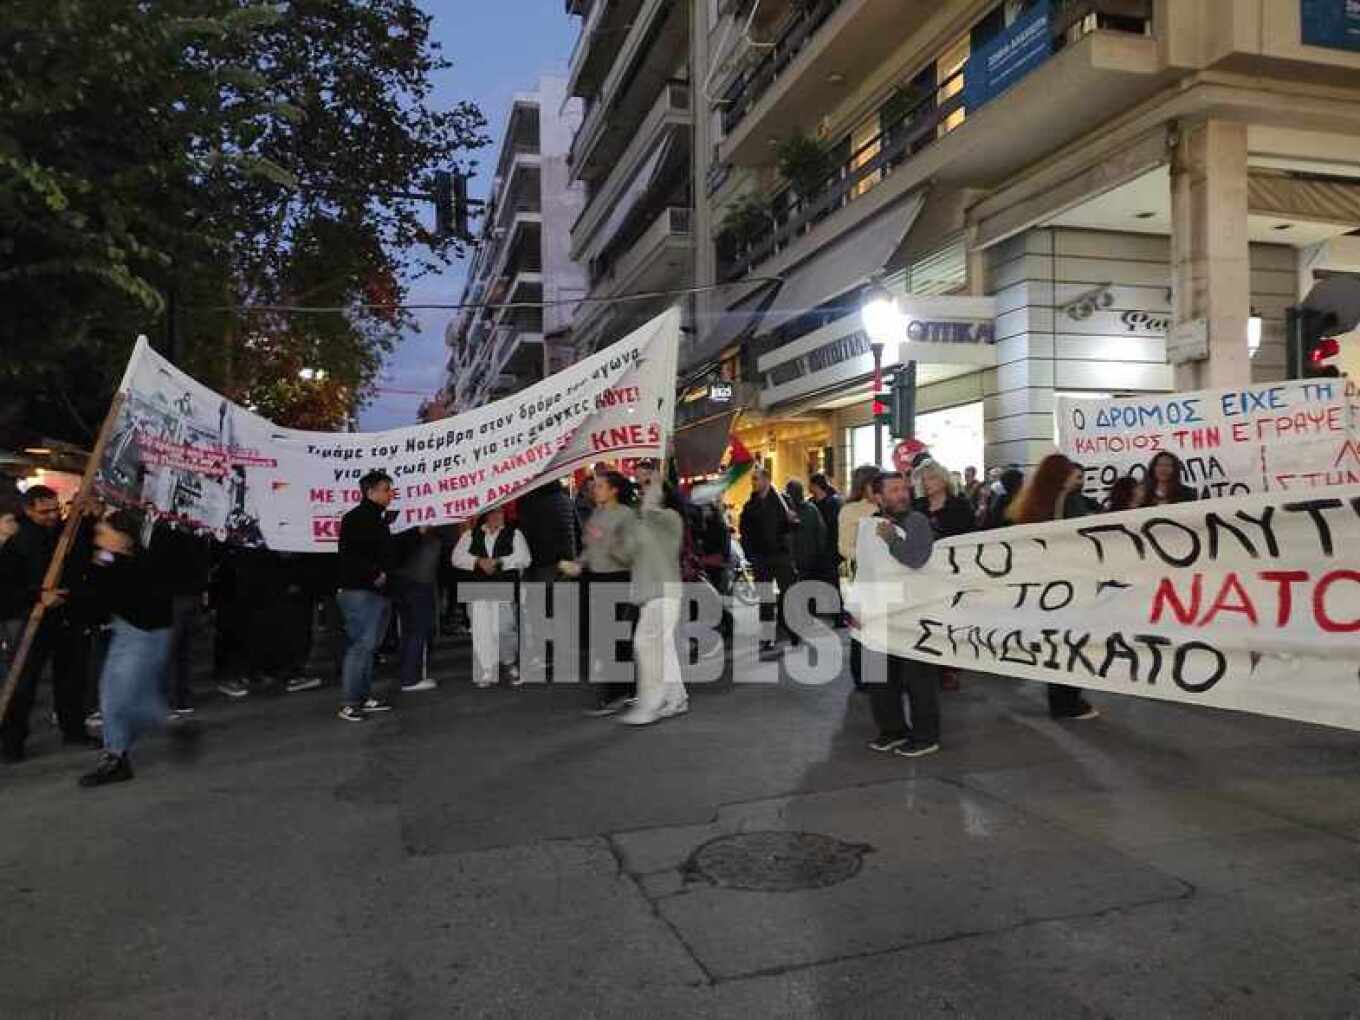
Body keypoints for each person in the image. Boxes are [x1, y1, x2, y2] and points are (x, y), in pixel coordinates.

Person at [77, 510, 179, 787]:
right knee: (123, 694)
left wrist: (101, 569)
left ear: (122, 538)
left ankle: (119, 753)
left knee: (119, 696)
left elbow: (107, 595)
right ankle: (126, 748)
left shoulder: (136, 565)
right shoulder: (119, 561)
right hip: (132, 632)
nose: (98, 538)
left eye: (103, 533)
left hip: (143, 634)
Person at [0, 486, 98, 761]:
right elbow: (6, 588)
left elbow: (78, 555)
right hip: (31, 621)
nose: (53, 515)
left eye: (56, 509)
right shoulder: (17, 542)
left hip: (67, 618)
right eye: (45, 511)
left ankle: (74, 732)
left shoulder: (62, 532)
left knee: (72, 679)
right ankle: (12, 744)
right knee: (23, 684)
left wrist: (85, 517)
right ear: (29, 510)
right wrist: (38, 597)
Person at [1009, 454, 1100, 721]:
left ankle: (1063, 698)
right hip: (1066, 585)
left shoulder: (1035, 505)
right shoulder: (1064, 503)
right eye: (1072, 471)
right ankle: (1068, 701)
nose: (1077, 475)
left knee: (1060, 643)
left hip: (1051, 587)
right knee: (1070, 643)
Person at [860, 471, 941, 758]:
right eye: (893, 490)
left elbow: (917, 559)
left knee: (917, 678)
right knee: (879, 677)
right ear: (878, 497)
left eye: (903, 488)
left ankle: (925, 736)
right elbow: (866, 570)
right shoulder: (870, 525)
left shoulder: (916, 521)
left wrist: (892, 539)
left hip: (912, 612)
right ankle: (892, 730)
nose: (902, 494)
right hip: (880, 609)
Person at [561, 471, 638, 715]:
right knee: (607, 639)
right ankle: (626, 690)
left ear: (614, 490)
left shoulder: (625, 515)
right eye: (594, 486)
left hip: (617, 578)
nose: (595, 490)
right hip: (596, 579)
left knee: (615, 639)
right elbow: (590, 547)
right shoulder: (597, 513)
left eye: (601, 486)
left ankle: (618, 694)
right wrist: (578, 564)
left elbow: (630, 553)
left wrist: (607, 542)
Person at [615, 477, 688, 725]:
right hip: (649, 594)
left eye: (648, 484)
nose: (643, 489)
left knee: (647, 644)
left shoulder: (670, 519)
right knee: (662, 647)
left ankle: (651, 703)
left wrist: (650, 507)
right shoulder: (640, 522)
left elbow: (664, 531)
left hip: (664, 592)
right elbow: (624, 555)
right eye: (643, 485)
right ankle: (676, 697)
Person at [336, 470, 396, 723]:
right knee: (361, 646)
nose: (390, 493)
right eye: (386, 488)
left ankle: (362, 696)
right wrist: (374, 574)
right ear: (370, 492)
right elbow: (351, 555)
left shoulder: (376, 518)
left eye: (390, 488)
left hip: (373, 591)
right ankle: (350, 703)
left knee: (368, 647)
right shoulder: (359, 517)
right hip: (361, 591)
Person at [452, 506, 531, 687]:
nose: (497, 516)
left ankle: (509, 661)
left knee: (503, 628)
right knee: (481, 630)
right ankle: (487, 668)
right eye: (493, 513)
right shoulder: (470, 535)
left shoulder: (514, 534)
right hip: (477, 588)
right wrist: (478, 561)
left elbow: (525, 558)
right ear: (485, 515)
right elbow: (456, 558)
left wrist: (500, 561)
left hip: (503, 586)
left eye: (500, 512)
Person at [145, 518, 210, 715]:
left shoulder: (195, 528)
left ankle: (181, 698)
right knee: (170, 649)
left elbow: (202, 559)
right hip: (174, 595)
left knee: (183, 649)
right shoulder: (165, 528)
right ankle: (165, 699)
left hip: (188, 593)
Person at [517, 479, 579, 677]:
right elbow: (577, 529)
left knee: (540, 614)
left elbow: (527, 535)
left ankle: (546, 657)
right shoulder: (566, 500)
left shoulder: (530, 502)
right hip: (565, 564)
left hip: (542, 565)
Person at [739, 467, 798, 657]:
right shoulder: (750, 506)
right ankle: (767, 637)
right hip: (761, 557)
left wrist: (791, 519)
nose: (753, 483)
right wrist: (750, 554)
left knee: (788, 594)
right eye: (752, 480)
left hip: (781, 555)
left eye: (756, 479)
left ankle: (792, 630)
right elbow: (745, 532)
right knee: (765, 598)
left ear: (766, 480)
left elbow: (796, 527)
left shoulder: (783, 502)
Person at [389, 526, 441, 693]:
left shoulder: (403, 528)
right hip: (418, 582)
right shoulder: (420, 533)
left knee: (408, 630)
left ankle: (406, 672)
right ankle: (410, 678)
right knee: (418, 629)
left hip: (405, 581)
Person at [785, 479, 834, 629]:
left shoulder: (788, 511)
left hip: (797, 556)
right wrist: (819, 551)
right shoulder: (811, 509)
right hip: (809, 555)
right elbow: (821, 532)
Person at [913, 460, 975, 538]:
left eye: (931, 478)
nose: (926, 483)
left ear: (944, 480)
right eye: (923, 480)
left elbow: (971, 535)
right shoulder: (919, 508)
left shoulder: (961, 505)